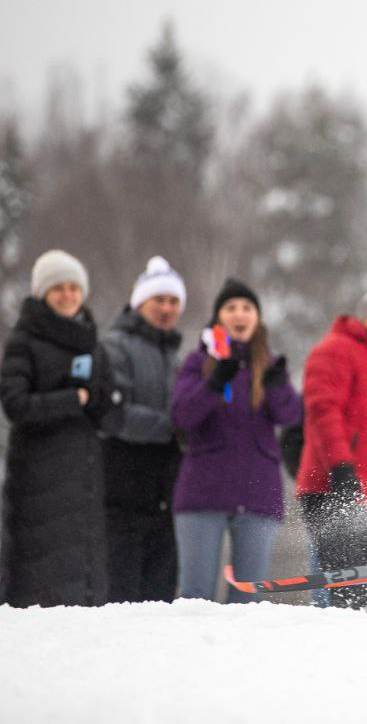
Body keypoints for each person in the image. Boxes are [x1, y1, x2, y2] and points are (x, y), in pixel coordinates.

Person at [1, 250, 122, 607]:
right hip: (38, 481)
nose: (68, 295)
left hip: (84, 480)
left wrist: (102, 400)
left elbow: (111, 414)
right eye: (58, 288)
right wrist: (71, 398)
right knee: (39, 584)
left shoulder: (92, 344)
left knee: (85, 588)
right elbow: (15, 405)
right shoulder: (24, 341)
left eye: (74, 287)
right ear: (42, 293)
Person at [170, 278, 302, 602]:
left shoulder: (270, 366)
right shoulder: (197, 363)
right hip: (203, 491)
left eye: (247, 307)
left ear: (257, 318)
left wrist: (277, 386)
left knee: (248, 600)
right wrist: (214, 383)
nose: (239, 314)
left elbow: (292, 417)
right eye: (231, 307)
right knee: (195, 596)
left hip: (258, 492)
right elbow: (182, 416)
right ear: (218, 318)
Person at [295, 285, 367, 609]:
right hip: (333, 487)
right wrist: (342, 469)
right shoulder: (336, 349)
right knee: (349, 589)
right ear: (366, 316)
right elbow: (323, 411)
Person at [101, 256, 187, 603]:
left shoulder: (177, 359)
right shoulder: (115, 346)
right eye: (159, 300)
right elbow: (112, 415)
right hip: (122, 487)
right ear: (140, 303)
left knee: (160, 596)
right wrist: (171, 428)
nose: (166, 309)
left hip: (166, 493)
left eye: (173, 301)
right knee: (121, 596)